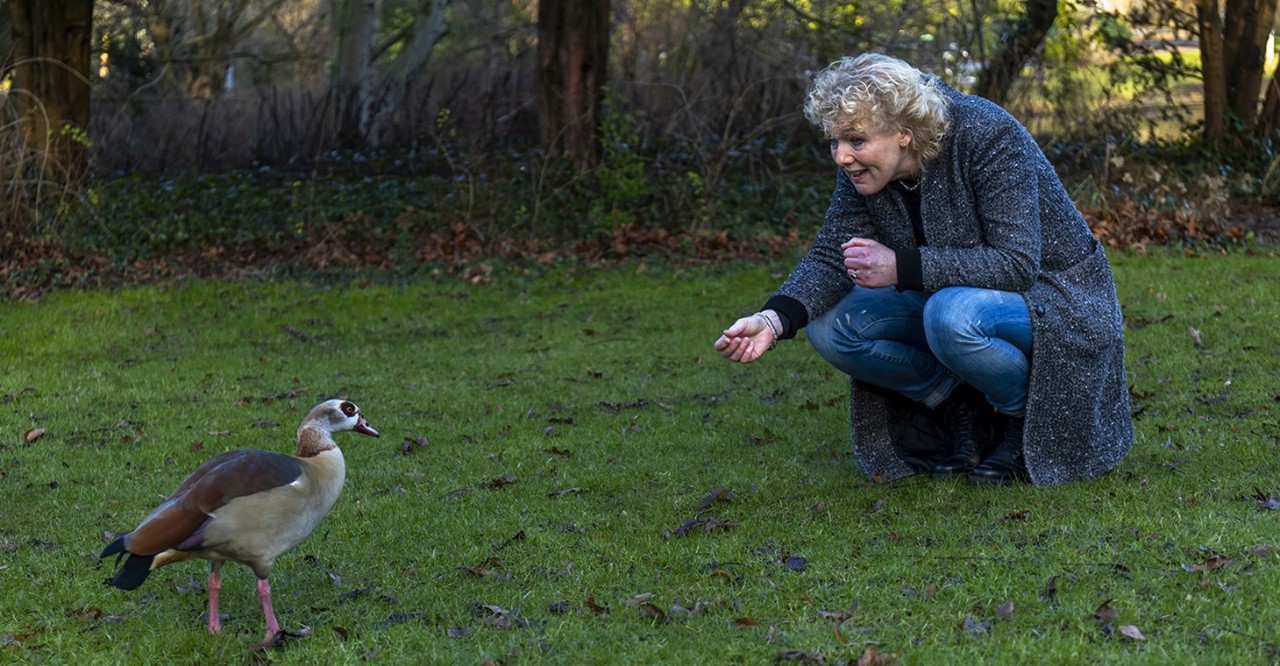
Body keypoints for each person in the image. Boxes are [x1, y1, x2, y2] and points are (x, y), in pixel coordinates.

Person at [714, 53, 1132, 486]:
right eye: (834, 141)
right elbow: (831, 255)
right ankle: (960, 406)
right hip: (954, 296)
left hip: (1059, 297)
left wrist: (900, 267)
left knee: (950, 315)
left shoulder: (987, 134)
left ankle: (1023, 421)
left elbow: (1017, 263)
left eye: (855, 140)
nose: (841, 157)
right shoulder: (864, 168)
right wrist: (773, 319)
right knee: (832, 327)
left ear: (904, 134)